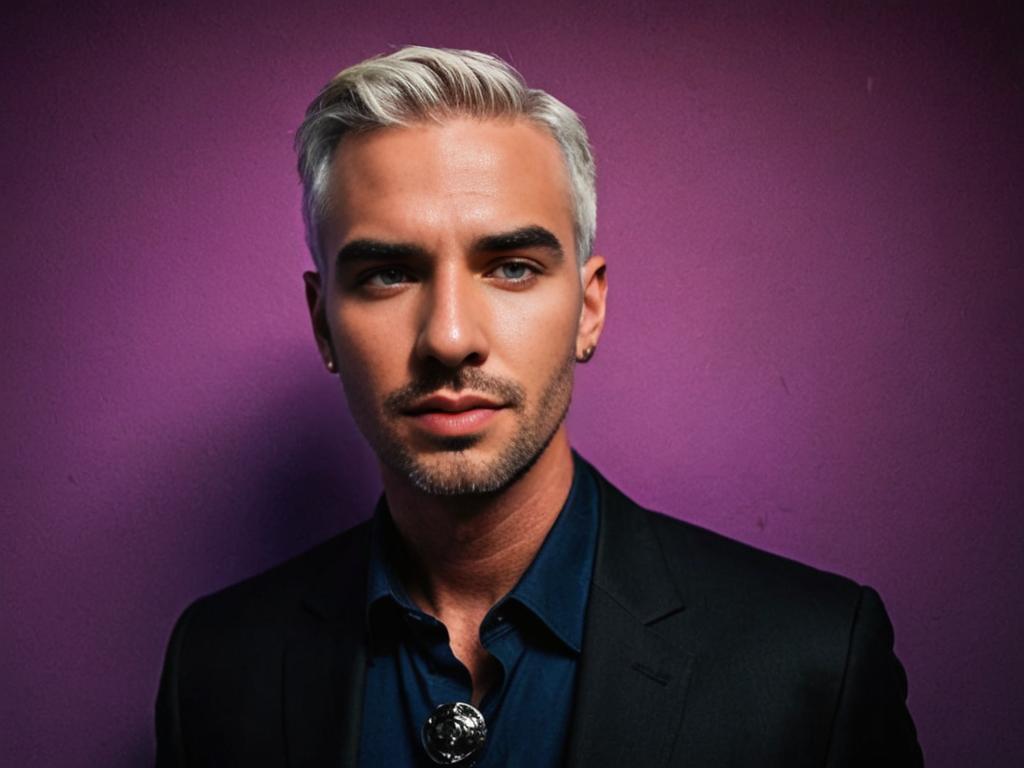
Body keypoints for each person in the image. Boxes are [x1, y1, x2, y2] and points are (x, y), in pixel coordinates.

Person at [155, 46, 923, 767]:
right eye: (389, 274)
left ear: (588, 310)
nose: (450, 337)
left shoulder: (815, 661)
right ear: (324, 322)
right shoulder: (216, 666)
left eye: (512, 268)